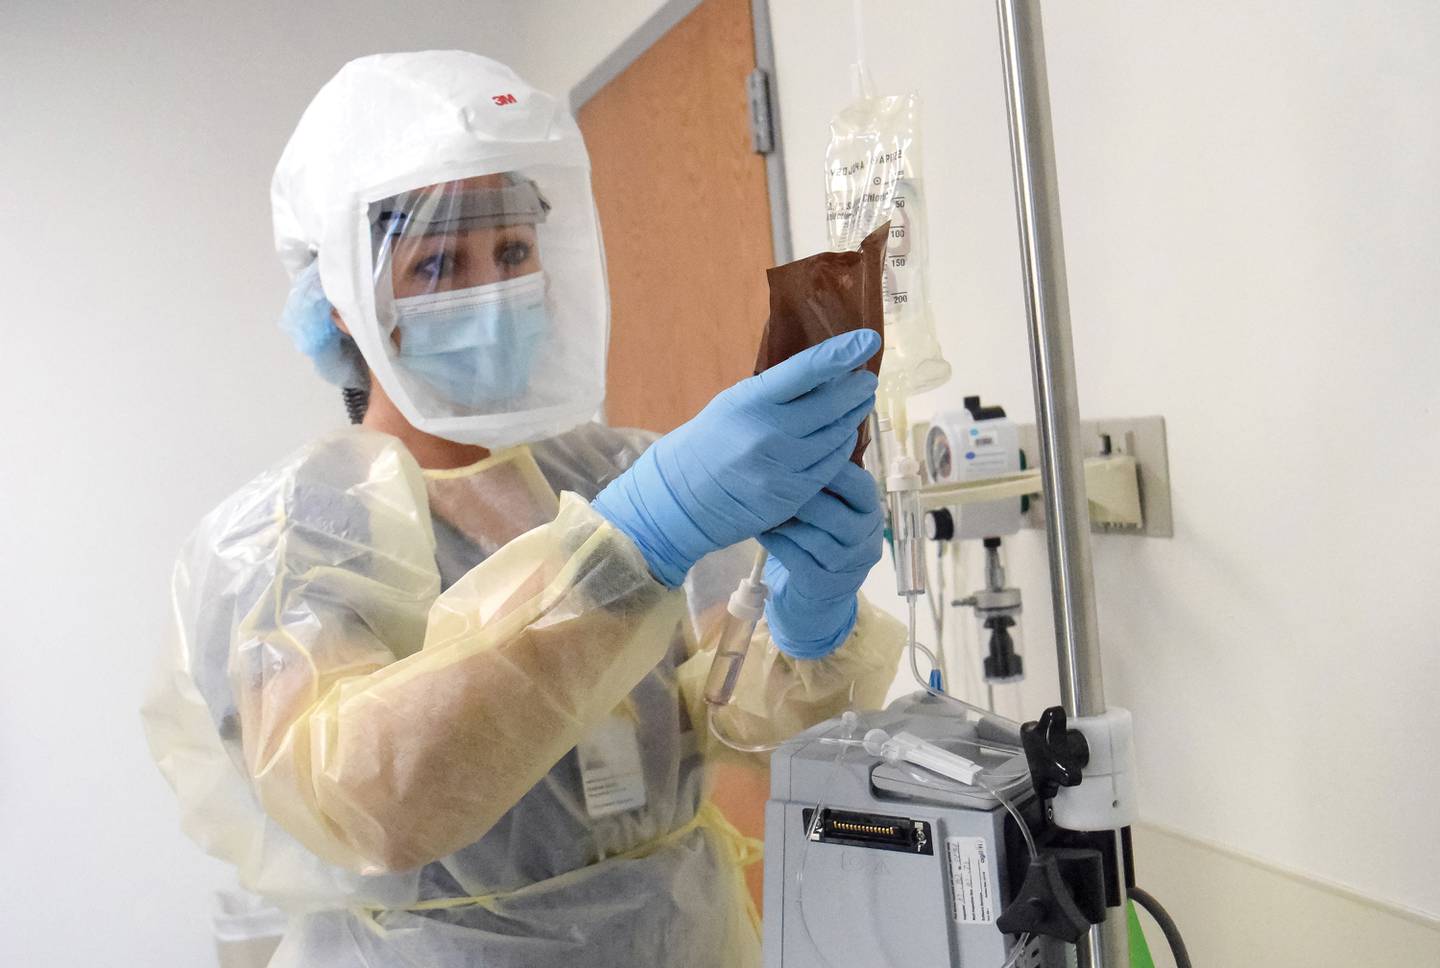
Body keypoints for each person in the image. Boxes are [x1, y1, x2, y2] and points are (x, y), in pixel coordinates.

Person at [142, 50, 904, 968]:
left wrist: (805, 624)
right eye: (436, 263)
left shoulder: (614, 468)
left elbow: (742, 720)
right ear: (344, 300)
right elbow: (364, 800)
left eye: (510, 252)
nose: (490, 292)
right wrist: (633, 545)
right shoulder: (285, 539)